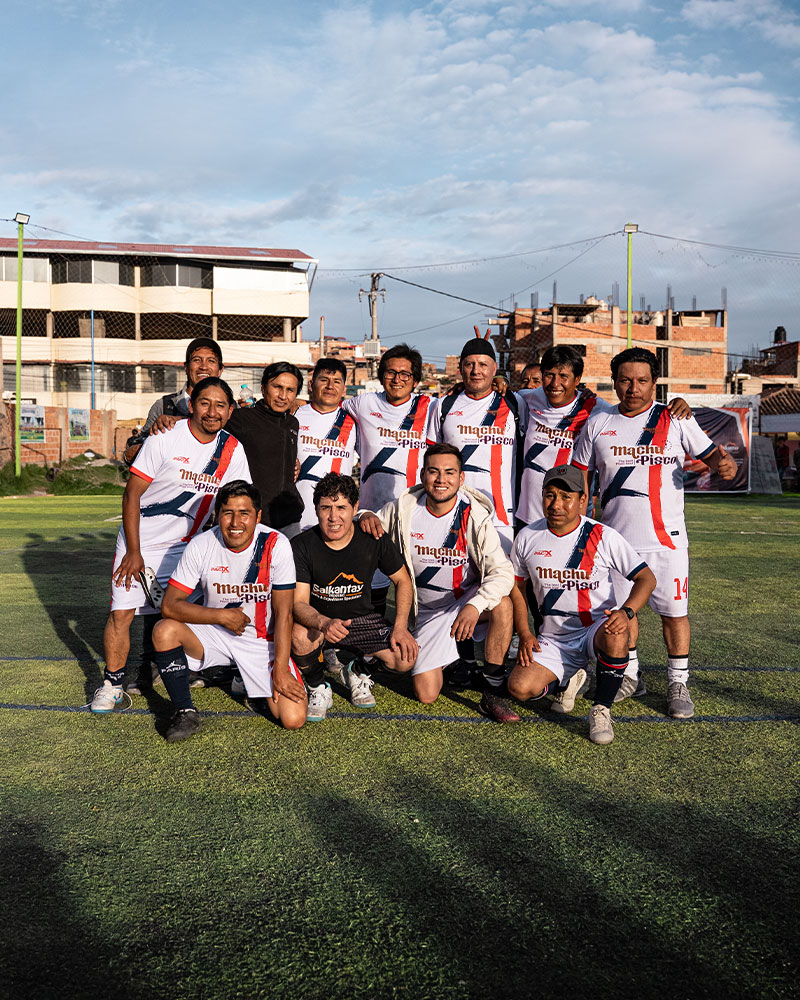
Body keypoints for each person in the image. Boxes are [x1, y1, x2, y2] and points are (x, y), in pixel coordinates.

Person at [571, 347, 737, 718]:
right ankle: (630, 676)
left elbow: (713, 456)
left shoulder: (675, 418)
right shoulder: (598, 423)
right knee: (619, 615)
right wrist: (582, 525)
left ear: (655, 383)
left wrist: (723, 465)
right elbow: (580, 474)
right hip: (614, 543)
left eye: (642, 381)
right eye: (626, 380)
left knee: (674, 614)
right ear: (614, 381)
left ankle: (678, 683)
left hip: (667, 542)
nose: (633, 388)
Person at [91, 377, 251, 714]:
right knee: (121, 614)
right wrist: (134, 552)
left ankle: (225, 669)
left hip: (187, 546)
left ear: (230, 410)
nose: (212, 411)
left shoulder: (233, 450)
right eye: (205, 403)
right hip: (140, 540)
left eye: (221, 405)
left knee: (206, 607)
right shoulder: (165, 437)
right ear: (191, 404)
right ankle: (113, 684)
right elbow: (131, 493)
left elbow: (240, 501)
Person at [357, 444, 517, 722]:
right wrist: (364, 515)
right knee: (426, 694)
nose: (441, 479)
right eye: (434, 471)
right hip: (426, 615)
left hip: (462, 604)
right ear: (422, 475)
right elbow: (365, 520)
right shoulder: (403, 509)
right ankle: (453, 659)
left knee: (502, 605)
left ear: (461, 478)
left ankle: (492, 691)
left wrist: (475, 605)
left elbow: (502, 573)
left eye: (449, 472)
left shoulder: (474, 516)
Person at [507, 464, 656, 745]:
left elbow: (646, 578)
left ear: (582, 500)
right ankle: (569, 678)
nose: (556, 504)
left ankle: (601, 709)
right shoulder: (527, 536)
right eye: (550, 495)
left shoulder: (603, 536)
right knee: (519, 688)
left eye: (566, 497)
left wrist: (626, 612)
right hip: (553, 638)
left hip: (594, 630)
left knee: (617, 631)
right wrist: (525, 633)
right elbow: (516, 587)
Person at [149, 480, 306, 741]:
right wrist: (221, 616)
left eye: (244, 513)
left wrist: (280, 669)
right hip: (216, 633)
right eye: (227, 513)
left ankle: (245, 679)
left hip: (261, 640)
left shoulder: (275, 544)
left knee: (293, 718)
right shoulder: (201, 545)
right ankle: (184, 710)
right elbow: (169, 605)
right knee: (164, 630)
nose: (235, 523)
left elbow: (284, 613)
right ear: (217, 515)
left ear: (257, 516)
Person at [290, 473, 418, 721]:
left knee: (404, 658)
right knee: (297, 635)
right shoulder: (302, 545)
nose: (333, 516)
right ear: (316, 510)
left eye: (341, 508)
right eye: (326, 507)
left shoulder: (373, 538)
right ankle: (318, 686)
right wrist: (324, 622)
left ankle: (357, 670)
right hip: (321, 621)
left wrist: (400, 627)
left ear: (355, 508)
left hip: (361, 619)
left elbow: (403, 581)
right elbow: (299, 603)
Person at [338, 344, 436, 616]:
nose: (398, 379)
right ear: (382, 376)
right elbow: (328, 408)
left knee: (420, 579)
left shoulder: (430, 407)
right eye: (391, 373)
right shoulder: (365, 403)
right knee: (375, 583)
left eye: (405, 374)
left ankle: (424, 637)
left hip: (415, 510)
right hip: (373, 511)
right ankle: (375, 645)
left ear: (415, 380)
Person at [428, 336, 524, 557]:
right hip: (454, 512)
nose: (476, 371)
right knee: (457, 585)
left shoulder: (515, 403)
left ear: (494, 369)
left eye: (483, 365)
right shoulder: (444, 405)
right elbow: (431, 457)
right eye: (469, 364)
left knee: (500, 585)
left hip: (501, 518)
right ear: (461, 369)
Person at [283, 358, 358, 538]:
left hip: (337, 519)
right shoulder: (293, 415)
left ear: (344, 389)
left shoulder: (354, 420)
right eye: (324, 380)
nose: (330, 386)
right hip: (295, 517)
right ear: (311, 385)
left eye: (337, 381)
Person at [225, 362, 305, 530]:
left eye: (290, 390)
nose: (283, 396)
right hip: (256, 520)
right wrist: (175, 420)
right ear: (263, 388)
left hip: (290, 518)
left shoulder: (292, 423)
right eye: (277, 387)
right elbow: (207, 422)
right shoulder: (242, 418)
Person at [123, 337, 224, 466]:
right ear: (186, 368)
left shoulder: (234, 409)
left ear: (220, 369)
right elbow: (134, 451)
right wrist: (159, 433)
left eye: (211, 361)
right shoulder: (164, 406)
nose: (203, 367)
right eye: (197, 360)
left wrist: (182, 422)